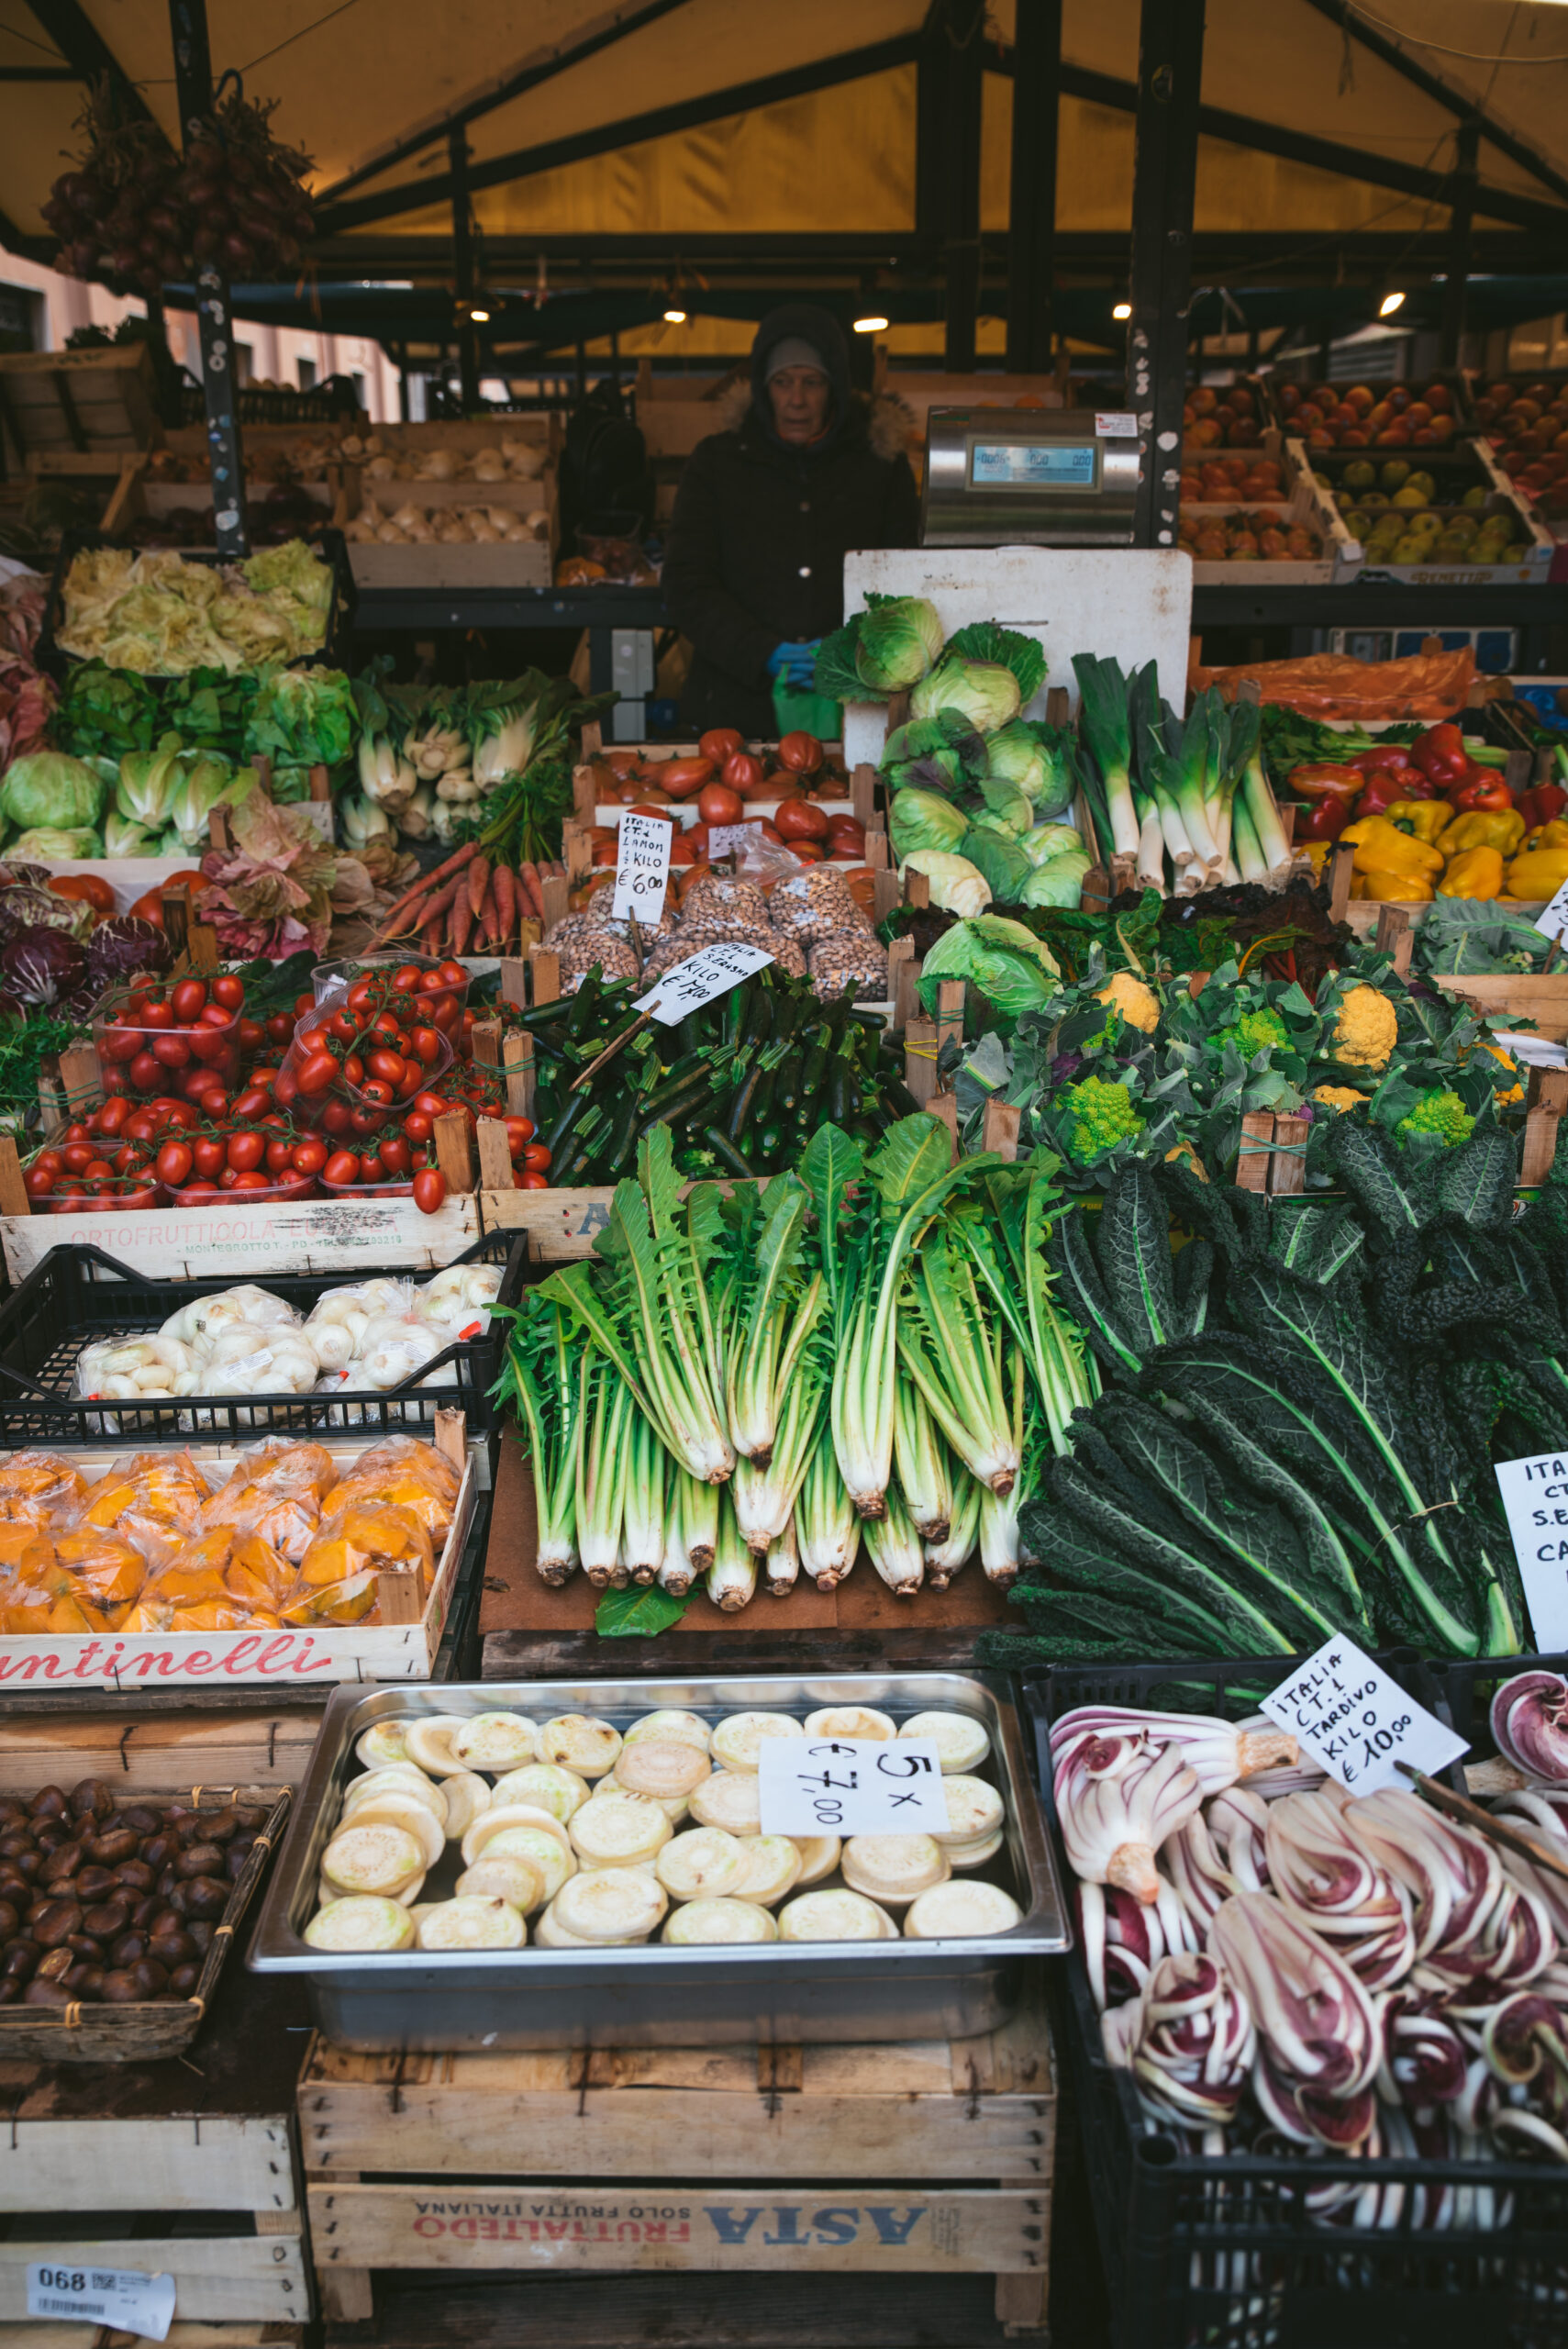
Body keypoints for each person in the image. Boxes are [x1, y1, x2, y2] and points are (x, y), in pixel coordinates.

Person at [662, 302, 920, 740]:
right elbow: (686, 582)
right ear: (764, 387)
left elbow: (907, 577)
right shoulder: (717, 462)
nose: (796, 399)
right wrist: (759, 650)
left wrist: (849, 650)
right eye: (782, 382)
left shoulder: (879, 466)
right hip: (735, 710)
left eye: (812, 382)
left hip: (856, 701)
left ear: (834, 387)